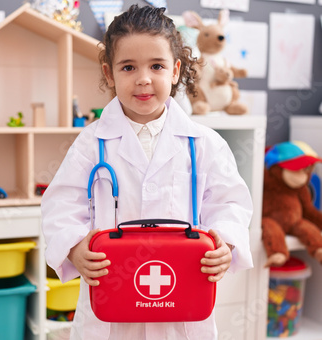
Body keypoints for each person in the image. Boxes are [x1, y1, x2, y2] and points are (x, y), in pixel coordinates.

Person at [41, 5, 253, 340]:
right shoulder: (89, 144)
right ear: (109, 74)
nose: (143, 78)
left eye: (157, 65)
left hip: (182, 302)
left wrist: (224, 242)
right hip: (111, 304)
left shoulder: (205, 144)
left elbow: (231, 204)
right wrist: (74, 246)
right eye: (128, 67)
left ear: (175, 70)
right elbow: (60, 205)